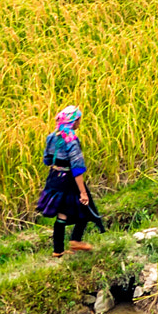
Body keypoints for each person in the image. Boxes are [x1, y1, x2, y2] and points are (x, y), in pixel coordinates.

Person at [37, 105, 104, 257]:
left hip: (54, 178)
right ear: (73, 122)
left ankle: (58, 250)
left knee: (62, 214)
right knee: (85, 207)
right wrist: (83, 192)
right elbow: (77, 167)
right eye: (79, 119)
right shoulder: (71, 140)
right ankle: (75, 240)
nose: (79, 122)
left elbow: (47, 160)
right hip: (68, 180)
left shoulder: (52, 137)